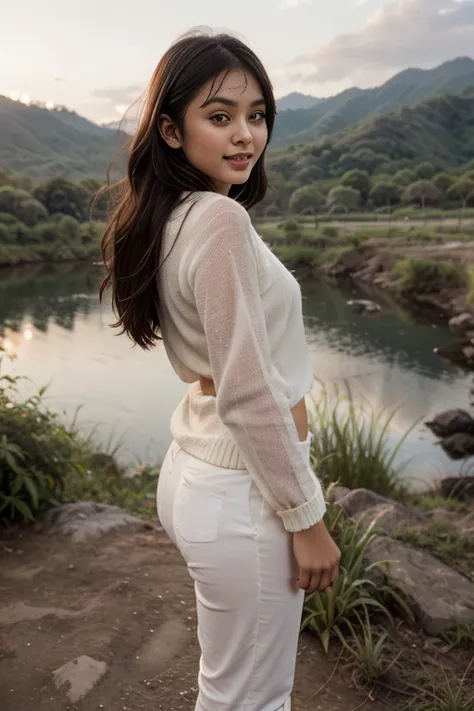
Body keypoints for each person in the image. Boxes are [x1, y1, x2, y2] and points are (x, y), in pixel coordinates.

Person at [99, 26, 341, 711]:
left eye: (257, 115)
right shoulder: (220, 223)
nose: (245, 135)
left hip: (200, 473)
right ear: (172, 132)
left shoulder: (171, 215)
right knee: (254, 699)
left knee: (229, 689)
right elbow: (247, 389)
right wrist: (307, 516)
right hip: (245, 492)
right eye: (220, 115)